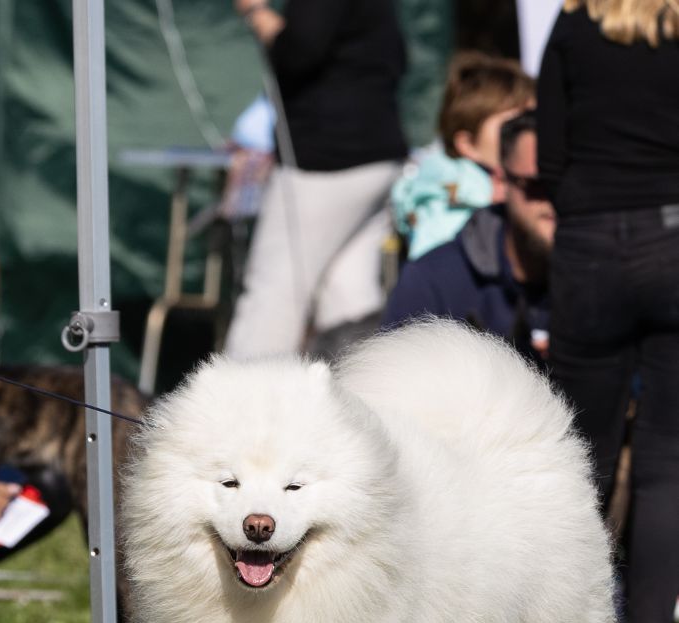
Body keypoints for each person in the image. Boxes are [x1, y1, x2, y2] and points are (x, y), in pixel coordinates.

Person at [538, 0, 679, 623]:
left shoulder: (572, 24)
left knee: (578, 455)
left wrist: (585, 211)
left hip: (590, 239)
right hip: (674, 234)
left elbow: (550, 153)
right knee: (667, 460)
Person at [225, 0, 408, 360]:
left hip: (327, 161)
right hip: (376, 156)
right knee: (349, 298)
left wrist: (256, 12)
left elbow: (299, 52)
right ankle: (364, 387)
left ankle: (246, 393)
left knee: (274, 294)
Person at [382, 110, 555, 364]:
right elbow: (392, 380)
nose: (554, 201)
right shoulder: (432, 281)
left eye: (567, 186)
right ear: (501, 182)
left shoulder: (607, 277)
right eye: (537, 185)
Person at [391, 51, 535, 261]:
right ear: (468, 144)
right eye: (513, 126)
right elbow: (432, 265)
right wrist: (487, 203)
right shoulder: (441, 199)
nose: (530, 136)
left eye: (534, 121)